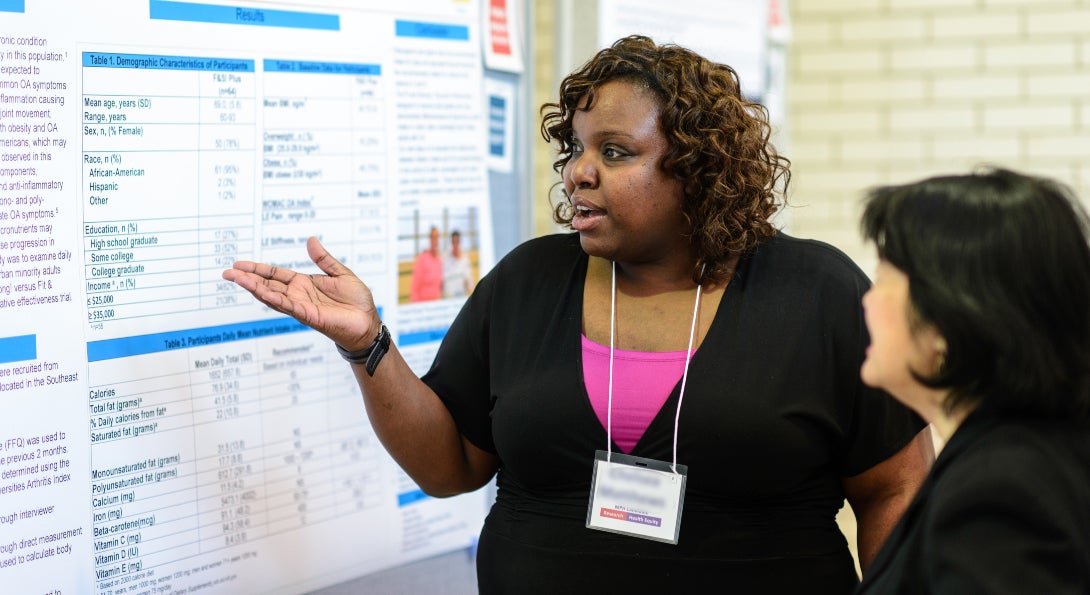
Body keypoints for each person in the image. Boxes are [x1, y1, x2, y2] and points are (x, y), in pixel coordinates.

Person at [223, 35, 931, 593]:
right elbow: (449, 465)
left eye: (615, 152)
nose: (577, 171)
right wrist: (369, 344)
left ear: (697, 168)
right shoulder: (530, 281)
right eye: (576, 148)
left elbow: (896, 485)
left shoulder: (815, 293)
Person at [854, 167, 1090, 594]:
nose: (867, 300)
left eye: (885, 277)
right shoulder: (1017, 452)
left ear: (947, 318)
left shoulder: (1003, 489)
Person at [409, 225, 442, 301]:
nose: (435, 240)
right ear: (430, 239)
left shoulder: (439, 261)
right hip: (422, 306)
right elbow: (415, 288)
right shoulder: (422, 259)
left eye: (437, 237)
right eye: (433, 237)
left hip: (436, 305)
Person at [442, 229, 473, 298]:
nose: (455, 245)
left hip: (461, 298)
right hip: (448, 299)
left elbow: (470, 284)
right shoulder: (445, 259)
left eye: (457, 242)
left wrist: (467, 284)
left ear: (460, 242)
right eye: (453, 242)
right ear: (451, 243)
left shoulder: (465, 260)